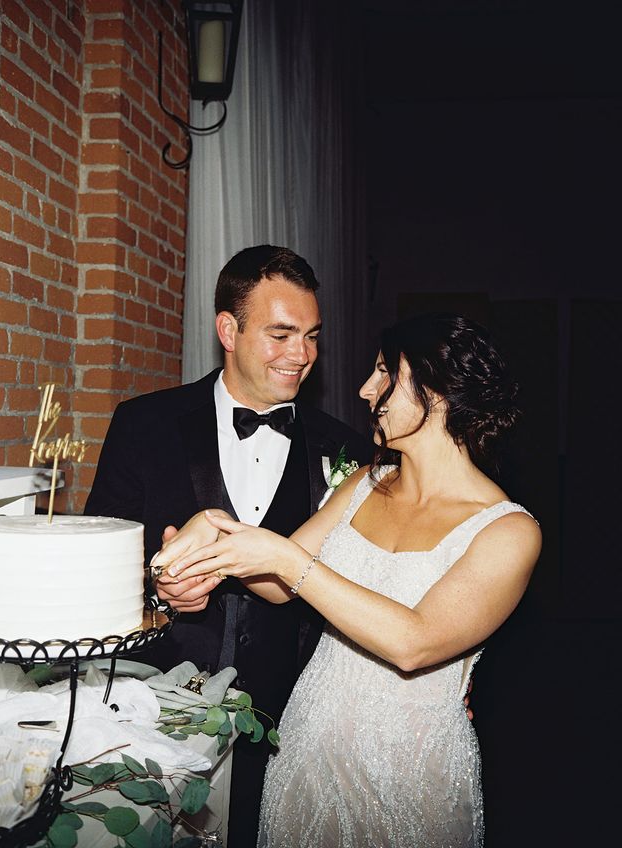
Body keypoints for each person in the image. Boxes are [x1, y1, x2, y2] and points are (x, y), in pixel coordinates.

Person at [150, 313, 542, 848]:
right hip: (311, 740)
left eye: (384, 373)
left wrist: (287, 561)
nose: (364, 389)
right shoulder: (365, 483)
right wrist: (212, 536)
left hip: (411, 768)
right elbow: (277, 583)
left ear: (440, 393)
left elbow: (414, 642)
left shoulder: (509, 531)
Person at [84, 245, 371, 848]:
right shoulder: (144, 423)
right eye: (281, 334)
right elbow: (97, 563)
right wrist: (158, 589)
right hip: (156, 706)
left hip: (293, 717)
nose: (303, 356)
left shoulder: (345, 448)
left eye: (312, 336)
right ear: (228, 330)